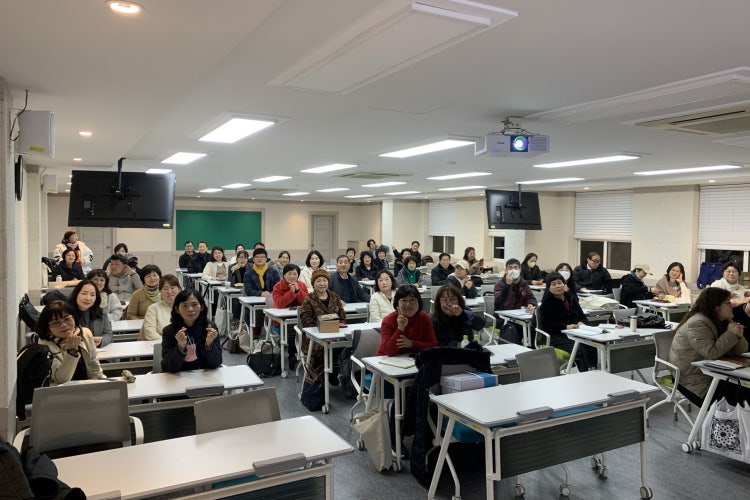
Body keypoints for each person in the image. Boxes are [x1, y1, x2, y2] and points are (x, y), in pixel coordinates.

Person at [669, 287, 749, 406]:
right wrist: (731, 333)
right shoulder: (697, 323)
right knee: (743, 397)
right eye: (728, 303)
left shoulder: (724, 321)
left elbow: (741, 350)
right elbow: (711, 352)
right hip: (694, 380)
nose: (732, 305)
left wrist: (738, 335)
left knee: (745, 390)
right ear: (716, 307)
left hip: (714, 373)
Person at [538, 272, 598, 372]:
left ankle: (592, 370)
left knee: (591, 345)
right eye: (554, 284)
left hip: (575, 334)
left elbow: (582, 317)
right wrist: (565, 327)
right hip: (557, 337)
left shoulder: (571, 299)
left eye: (559, 283)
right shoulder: (547, 303)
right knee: (581, 349)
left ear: (564, 284)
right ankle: (585, 374)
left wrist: (581, 323)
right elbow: (547, 325)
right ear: (549, 288)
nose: (558, 286)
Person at [36, 300, 106, 384]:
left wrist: (101, 384)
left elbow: (94, 368)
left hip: (87, 386)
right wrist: (71, 352)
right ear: (47, 328)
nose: (63, 325)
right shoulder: (44, 345)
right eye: (56, 323)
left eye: (67, 319)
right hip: (60, 389)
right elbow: (61, 379)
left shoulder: (85, 334)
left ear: (74, 318)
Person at [300, 269, 347, 382]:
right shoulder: (308, 299)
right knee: (321, 348)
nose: (322, 284)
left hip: (336, 333)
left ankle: (335, 372)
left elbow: (343, 318)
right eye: (318, 281)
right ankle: (320, 378)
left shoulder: (335, 297)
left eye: (324, 280)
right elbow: (307, 323)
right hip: (314, 337)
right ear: (313, 283)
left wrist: (336, 328)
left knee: (348, 346)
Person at [161, 290, 221, 372]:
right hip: (178, 377)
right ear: (177, 309)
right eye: (185, 305)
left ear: (202, 307)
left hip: (204, 376)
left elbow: (216, 363)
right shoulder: (169, 331)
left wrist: (209, 345)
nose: (190, 309)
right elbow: (168, 367)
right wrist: (180, 347)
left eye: (194, 304)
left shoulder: (210, 328)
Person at [376, 285, 436, 356]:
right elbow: (389, 352)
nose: (408, 304)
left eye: (412, 300)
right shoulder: (388, 320)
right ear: (397, 303)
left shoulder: (424, 317)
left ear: (419, 302)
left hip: (412, 358)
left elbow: (433, 345)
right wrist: (400, 328)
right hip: (386, 359)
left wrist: (412, 344)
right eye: (404, 300)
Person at [244, 248, 281, 336]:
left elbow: (278, 286)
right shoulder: (248, 273)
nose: (260, 259)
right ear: (253, 259)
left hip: (271, 300)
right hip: (255, 302)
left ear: (266, 259)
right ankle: (256, 336)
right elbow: (248, 290)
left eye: (262, 257)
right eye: (257, 257)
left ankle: (274, 335)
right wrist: (260, 293)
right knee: (258, 310)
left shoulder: (273, 271)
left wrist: (272, 293)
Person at [68, 279, 113, 347]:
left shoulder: (101, 313)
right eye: (84, 293)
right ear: (76, 294)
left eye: (92, 295)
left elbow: (108, 334)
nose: (88, 298)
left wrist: (101, 341)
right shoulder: (66, 313)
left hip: (96, 350)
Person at [140, 274, 181, 341]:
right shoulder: (153, 308)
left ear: (179, 289)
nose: (169, 292)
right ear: (160, 291)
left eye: (172, 288)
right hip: (160, 343)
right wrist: (167, 343)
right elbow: (150, 332)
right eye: (165, 289)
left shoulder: (185, 308)